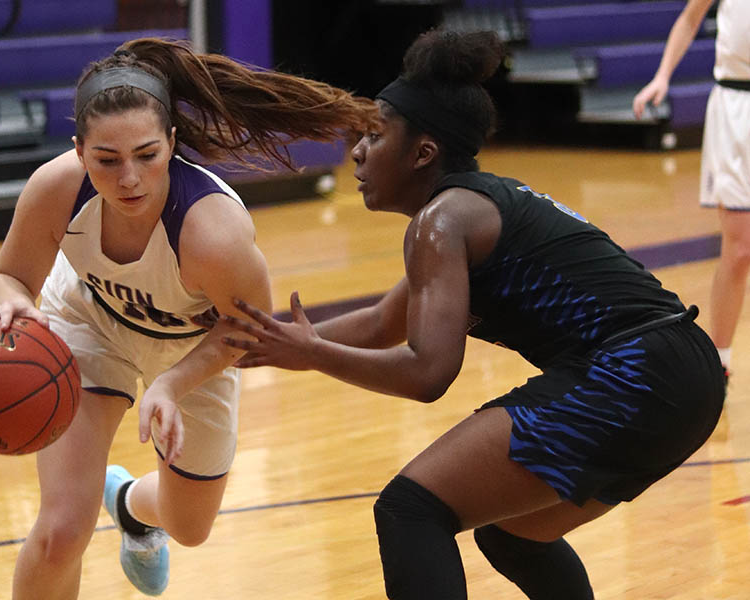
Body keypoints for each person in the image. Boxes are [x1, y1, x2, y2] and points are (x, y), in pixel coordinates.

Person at [208, 30, 725, 599]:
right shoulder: (470, 205)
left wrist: (311, 353)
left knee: (411, 509)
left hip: (634, 372)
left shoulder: (442, 220)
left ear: (423, 153)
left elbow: (428, 374)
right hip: (685, 376)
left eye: (375, 137)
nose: (355, 151)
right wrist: (268, 343)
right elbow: (385, 323)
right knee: (513, 534)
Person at [0, 37, 378, 599]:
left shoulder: (213, 234)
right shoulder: (56, 188)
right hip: (88, 320)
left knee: (190, 527)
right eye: (107, 160)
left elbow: (252, 329)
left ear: (173, 144)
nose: (128, 177)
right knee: (62, 531)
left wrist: (174, 384)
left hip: (194, 351)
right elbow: (9, 275)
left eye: (146, 155)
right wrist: (17, 306)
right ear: (80, 151)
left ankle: (131, 507)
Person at [633, 0, 750, 385]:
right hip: (737, 110)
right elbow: (690, 18)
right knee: (740, 247)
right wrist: (662, 76)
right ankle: (720, 360)